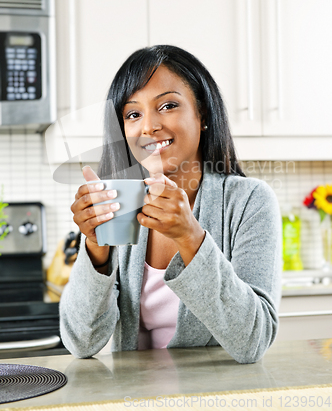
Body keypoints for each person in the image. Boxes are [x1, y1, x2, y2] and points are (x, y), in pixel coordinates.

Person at [60, 45, 282, 364]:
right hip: (136, 399)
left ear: (202, 114)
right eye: (133, 113)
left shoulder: (249, 201)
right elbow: (82, 342)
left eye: (167, 105)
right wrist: (95, 247)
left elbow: (253, 340)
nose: (148, 126)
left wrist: (191, 237)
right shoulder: (121, 204)